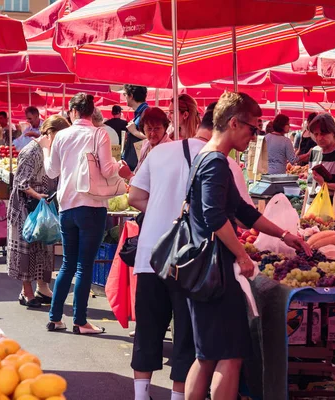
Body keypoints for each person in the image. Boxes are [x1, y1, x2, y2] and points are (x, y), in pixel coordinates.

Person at [183, 92, 309, 400]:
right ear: (234, 123)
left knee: (209, 354)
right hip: (215, 270)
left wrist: (284, 235)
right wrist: (241, 255)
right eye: (253, 129)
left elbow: (242, 210)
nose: (255, 137)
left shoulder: (212, 158)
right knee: (230, 354)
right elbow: (214, 216)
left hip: (207, 269)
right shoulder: (214, 161)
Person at [127, 101, 256, 400]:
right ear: (230, 124)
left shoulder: (160, 151)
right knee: (186, 335)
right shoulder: (220, 160)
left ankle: (140, 395)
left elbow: (134, 196)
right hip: (192, 261)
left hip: (154, 253)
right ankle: (176, 396)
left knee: (148, 329)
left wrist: (166, 213)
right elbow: (237, 212)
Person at [43, 93, 132, 334]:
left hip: (67, 206)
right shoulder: (98, 134)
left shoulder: (61, 135)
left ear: (72, 110)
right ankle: (80, 321)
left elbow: (51, 172)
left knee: (67, 265)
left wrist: (45, 150)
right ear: (91, 111)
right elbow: (106, 168)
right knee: (84, 267)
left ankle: (55, 317)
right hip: (92, 205)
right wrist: (120, 168)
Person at [8, 115, 70, 308]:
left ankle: (42, 288)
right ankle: (26, 292)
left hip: (44, 205)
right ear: (50, 133)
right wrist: (38, 195)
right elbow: (21, 182)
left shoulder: (50, 150)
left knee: (44, 248)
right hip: (26, 206)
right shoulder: (32, 150)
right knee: (26, 248)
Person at [133, 107, 172, 173]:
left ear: (165, 128)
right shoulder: (145, 144)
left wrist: (129, 176)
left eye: (157, 129)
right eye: (149, 129)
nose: (153, 134)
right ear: (143, 129)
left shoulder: (170, 149)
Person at [122, 85, 149, 171]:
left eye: (125, 94)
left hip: (139, 167)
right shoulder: (141, 112)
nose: (124, 97)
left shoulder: (147, 113)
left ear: (131, 96)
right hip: (135, 165)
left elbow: (152, 137)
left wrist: (134, 132)